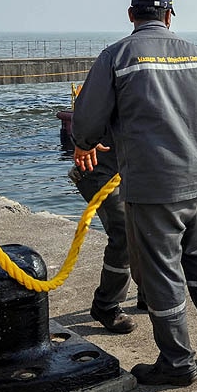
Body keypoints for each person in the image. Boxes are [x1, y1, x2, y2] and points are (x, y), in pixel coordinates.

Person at [73, 0, 197, 387]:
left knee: (163, 271)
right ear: (170, 16)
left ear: (132, 15)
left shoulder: (116, 56)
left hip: (154, 184)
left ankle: (177, 362)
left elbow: (86, 124)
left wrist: (87, 142)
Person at [68, 128, 141, 334]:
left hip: (135, 169)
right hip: (101, 170)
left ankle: (147, 292)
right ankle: (106, 304)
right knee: (124, 230)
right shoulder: (106, 93)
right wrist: (84, 141)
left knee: (149, 226)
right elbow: (86, 114)